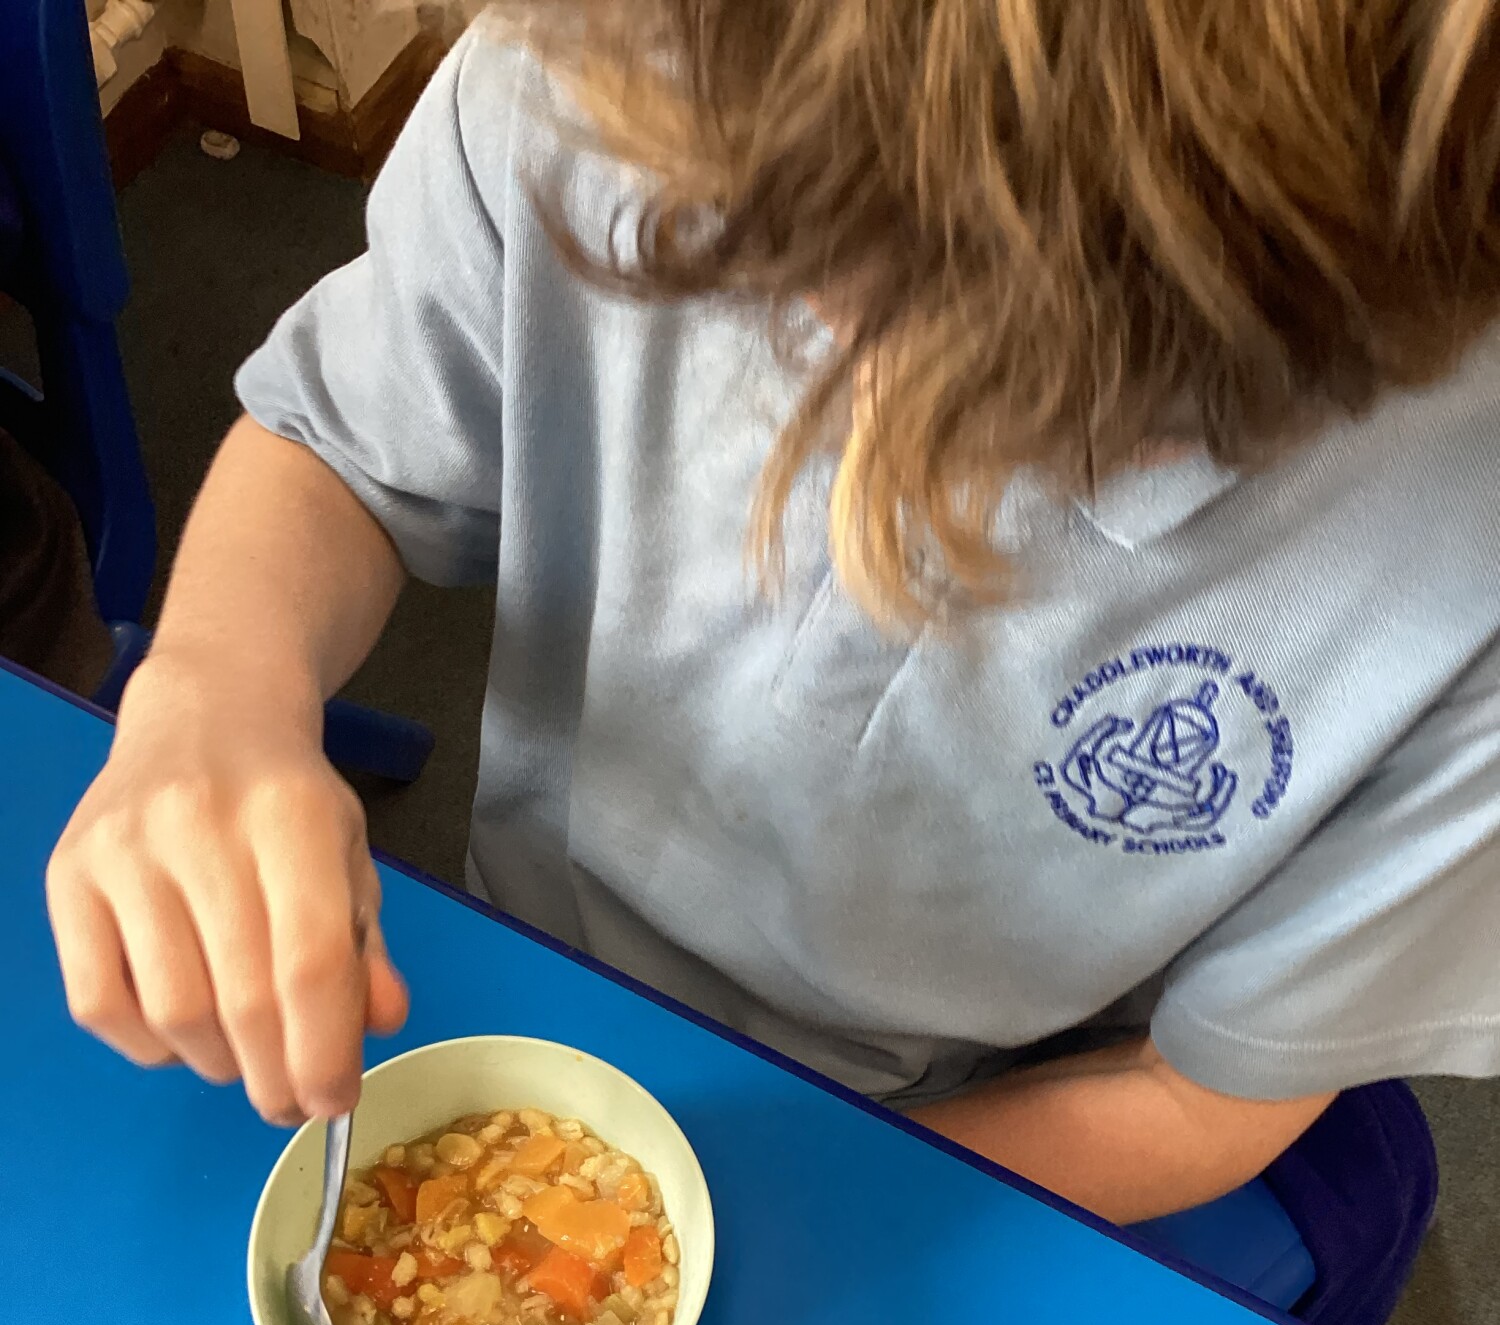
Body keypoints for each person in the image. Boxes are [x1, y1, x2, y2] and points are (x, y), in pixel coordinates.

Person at [44, 1, 1500, 1226]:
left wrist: (730, 1222)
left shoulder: (1460, 555)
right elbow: (345, 454)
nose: (850, 394)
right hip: (541, 951)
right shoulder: (608, 62)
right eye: (761, 252)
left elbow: (1202, 1095)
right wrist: (214, 687)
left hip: (966, 1121)